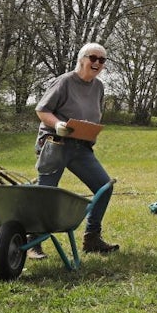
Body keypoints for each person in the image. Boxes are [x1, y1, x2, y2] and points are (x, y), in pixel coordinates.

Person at [34, 42, 119, 257]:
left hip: (80, 147)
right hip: (55, 143)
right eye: (93, 58)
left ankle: (92, 238)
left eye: (102, 60)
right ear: (81, 59)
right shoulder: (64, 82)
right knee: (45, 194)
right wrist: (58, 125)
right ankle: (33, 242)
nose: (97, 63)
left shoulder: (99, 87)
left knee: (104, 187)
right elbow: (42, 110)